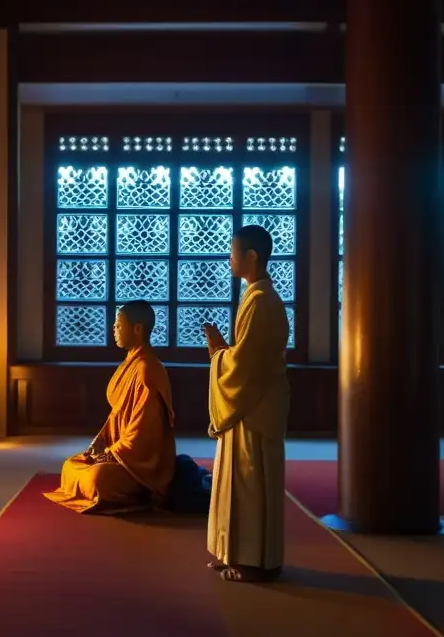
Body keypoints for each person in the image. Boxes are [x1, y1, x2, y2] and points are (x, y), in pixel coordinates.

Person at [203, 224, 291, 582]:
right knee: (236, 481)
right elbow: (246, 356)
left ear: (251, 256)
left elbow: (246, 364)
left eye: (233, 251)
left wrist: (218, 354)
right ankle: (234, 552)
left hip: (255, 407)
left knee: (251, 482)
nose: (229, 257)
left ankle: (255, 562)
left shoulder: (263, 301)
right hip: (248, 404)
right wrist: (224, 350)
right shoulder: (254, 298)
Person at [45, 300, 176, 514]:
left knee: (98, 479)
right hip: (119, 452)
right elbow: (117, 415)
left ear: (137, 329)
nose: (113, 329)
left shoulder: (147, 369)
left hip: (141, 465)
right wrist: (101, 443)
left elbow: (143, 432)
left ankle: (142, 492)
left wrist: (112, 454)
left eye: (117, 325)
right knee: (71, 464)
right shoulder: (131, 362)